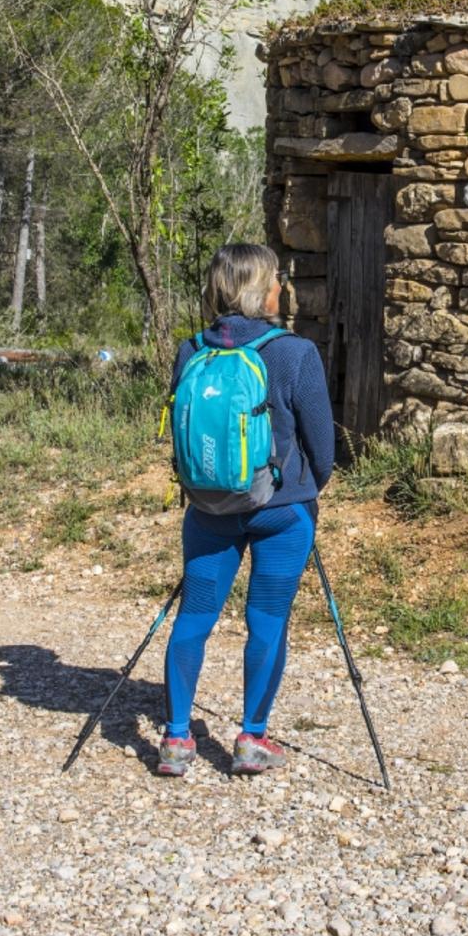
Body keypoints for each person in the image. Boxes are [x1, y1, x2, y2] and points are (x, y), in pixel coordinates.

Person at [158, 243, 335, 777]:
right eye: (276, 279)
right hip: (283, 509)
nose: (282, 287)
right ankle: (251, 739)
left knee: (195, 616)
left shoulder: (192, 351)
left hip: (209, 506)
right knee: (266, 619)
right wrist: (306, 490)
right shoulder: (295, 353)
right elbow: (322, 448)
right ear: (260, 288)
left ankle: (175, 740)